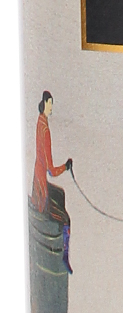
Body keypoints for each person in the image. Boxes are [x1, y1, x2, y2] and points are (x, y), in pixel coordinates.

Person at [31, 91, 74, 273]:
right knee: (65, 219)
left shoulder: (41, 122)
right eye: (50, 104)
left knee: (61, 194)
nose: (51, 107)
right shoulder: (45, 130)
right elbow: (51, 170)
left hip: (38, 180)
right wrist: (66, 166)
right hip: (42, 189)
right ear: (45, 103)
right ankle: (65, 256)